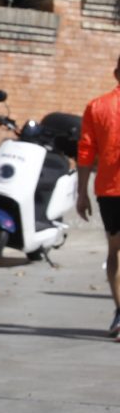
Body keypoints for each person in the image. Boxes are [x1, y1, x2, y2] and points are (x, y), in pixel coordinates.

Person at [78, 58, 120, 337]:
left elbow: (85, 151)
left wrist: (81, 193)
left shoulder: (97, 106)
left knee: (115, 251)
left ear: (116, 73)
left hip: (109, 189)